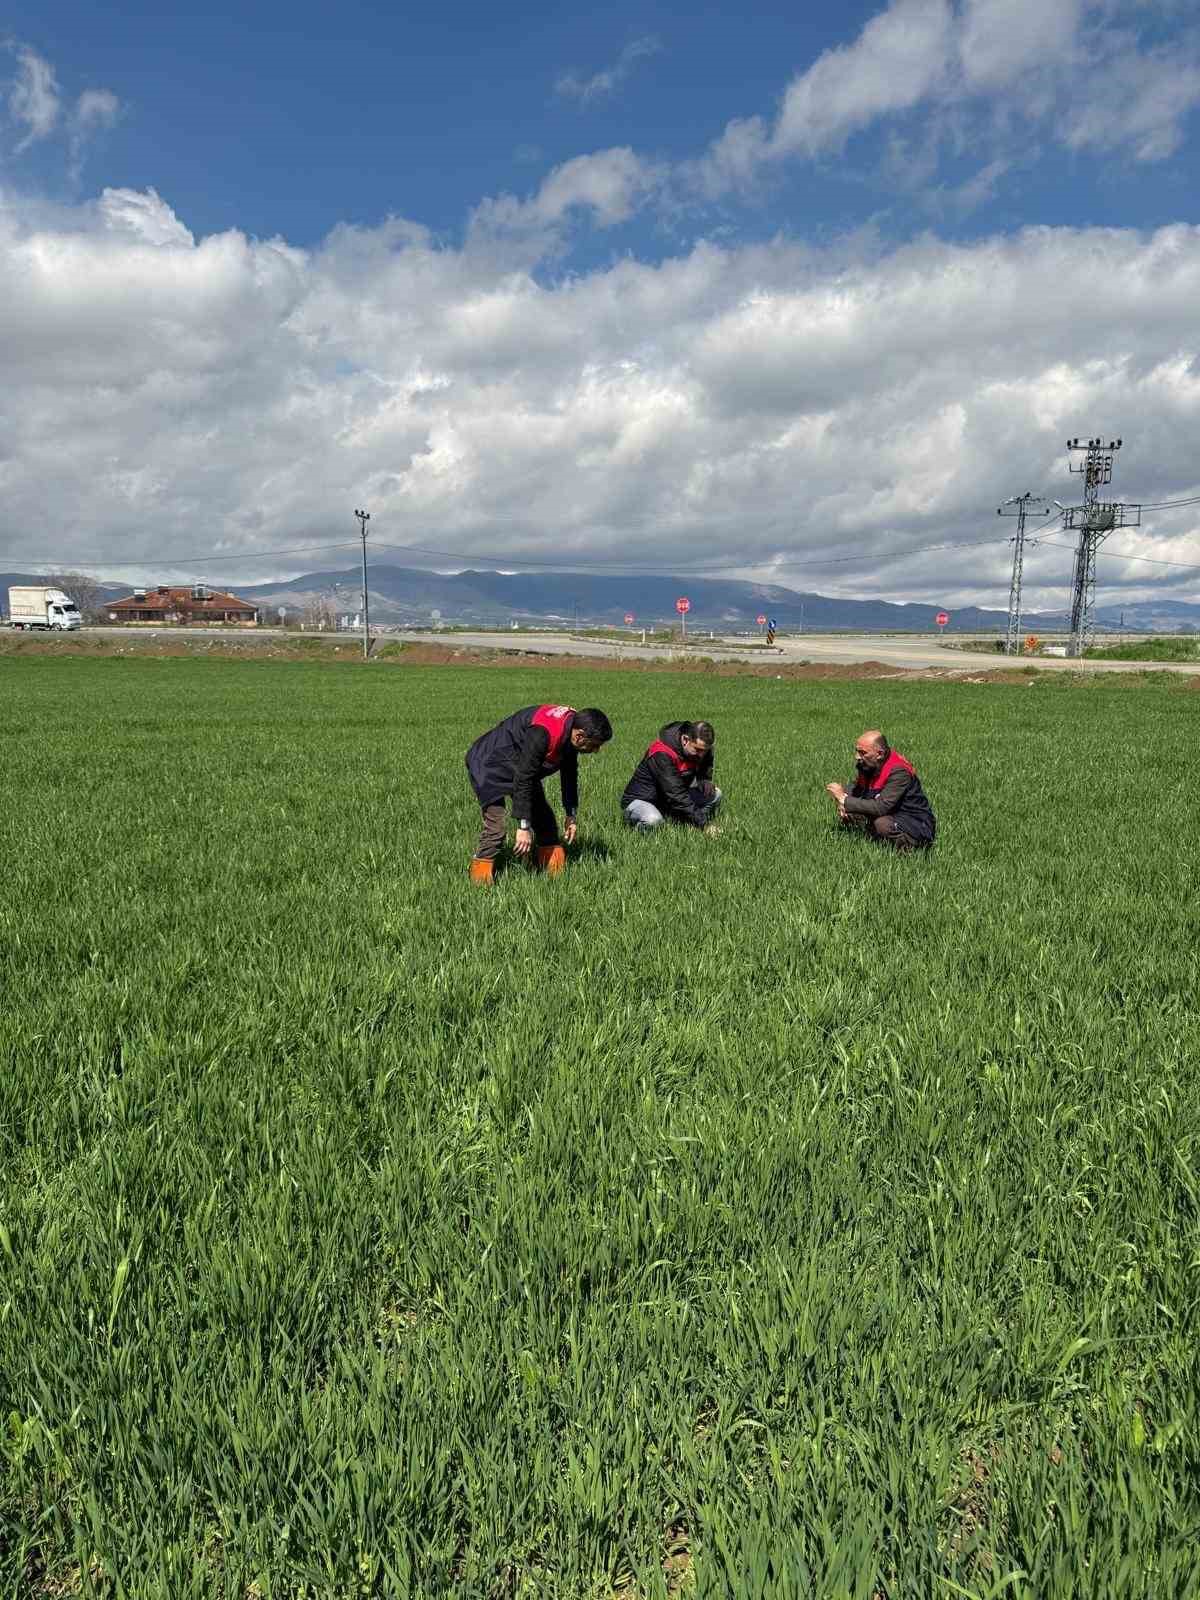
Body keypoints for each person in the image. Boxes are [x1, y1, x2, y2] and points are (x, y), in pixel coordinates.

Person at [465, 704, 613, 882]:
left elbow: (569, 773)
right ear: (580, 736)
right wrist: (523, 826)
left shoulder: (572, 729)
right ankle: (480, 881)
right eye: (595, 745)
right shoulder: (543, 733)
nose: (596, 751)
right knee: (496, 827)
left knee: (545, 822)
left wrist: (570, 813)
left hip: (520, 764)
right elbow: (524, 778)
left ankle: (554, 878)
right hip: (489, 762)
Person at [826, 730, 936, 850]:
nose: (857, 757)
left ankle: (909, 851)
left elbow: (881, 807)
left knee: (882, 824)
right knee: (852, 809)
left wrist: (844, 799)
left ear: (879, 754)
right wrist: (844, 799)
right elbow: (857, 788)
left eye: (862, 753)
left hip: (914, 822)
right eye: (857, 751)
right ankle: (871, 841)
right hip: (893, 813)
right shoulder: (870, 764)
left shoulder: (899, 772)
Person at [621, 720, 722, 834]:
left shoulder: (700, 748)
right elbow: (677, 795)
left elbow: (706, 759)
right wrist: (704, 824)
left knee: (715, 795)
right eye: (698, 750)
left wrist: (704, 779)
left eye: (705, 751)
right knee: (653, 820)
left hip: (668, 801)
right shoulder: (662, 752)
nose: (701, 755)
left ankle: (685, 823)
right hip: (642, 800)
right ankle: (635, 831)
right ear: (685, 740)